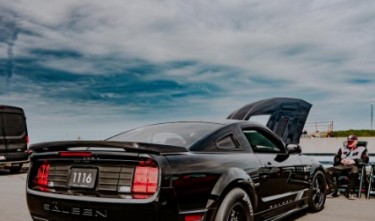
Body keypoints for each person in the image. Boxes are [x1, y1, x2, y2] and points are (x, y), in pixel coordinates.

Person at [325, 134, 369, 200]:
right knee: (326, 171)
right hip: (342, 166)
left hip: (354, 166)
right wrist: (341, 160)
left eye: (352, 141)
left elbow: (365, 160)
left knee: (354, 171)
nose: (349, 142)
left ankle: (349, 192)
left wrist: (354, 161)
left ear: (356, 141)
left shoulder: (362, 149)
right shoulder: (342, 148)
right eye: (348, 141)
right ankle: (334, 191)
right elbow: (336, 158)